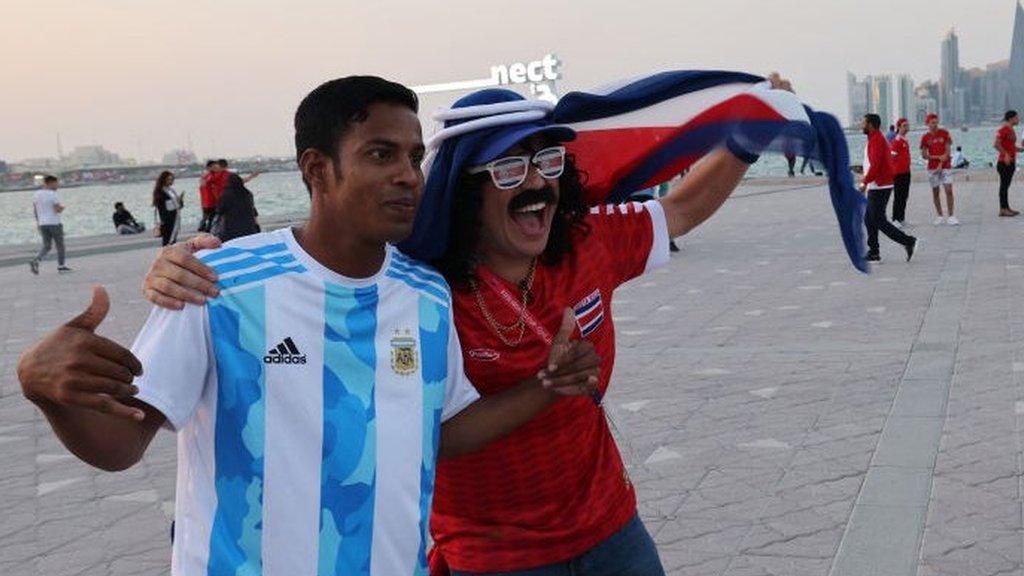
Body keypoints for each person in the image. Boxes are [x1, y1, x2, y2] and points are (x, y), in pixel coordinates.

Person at [137, 73, 798, 575]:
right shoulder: (418, 285)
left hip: (613, 533)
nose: (535, 183)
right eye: (510, 167)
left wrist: (743, 139)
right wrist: (189, 261)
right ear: (465, 186)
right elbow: (331, 270)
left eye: (547, 165)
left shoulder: (588, 241)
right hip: (488, 555)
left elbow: (677, 213)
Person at [15, 76, 600, 576]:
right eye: (380, 154)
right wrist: (45, 390)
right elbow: (120, 444)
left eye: (414, 157)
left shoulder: (426, 294)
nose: (408, 175)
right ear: (317, 169)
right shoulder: (216, 283)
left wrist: (547, 384)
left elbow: (440, 430)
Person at [860, 113, 917, 264]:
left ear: (871, 125)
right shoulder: (874, 139)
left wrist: (864, 182)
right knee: (869, 219)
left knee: (878, 220)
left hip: (880, 185)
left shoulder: (877, 140)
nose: (861, 125)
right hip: (877, 184)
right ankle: (874, 252)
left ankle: (908, 241)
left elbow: (876, 165)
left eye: (863, 123)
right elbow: (874, 162)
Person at [920, 113, 958, 225]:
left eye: (936, 122)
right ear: (927, 124)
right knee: (935, 192)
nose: (935, 125)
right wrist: (936, 158)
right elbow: (924, 155)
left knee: (949, 190)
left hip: (945, 166)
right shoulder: (925, 137)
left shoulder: (944, 133)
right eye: (932, 123)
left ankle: (951, 216)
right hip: (932, 168)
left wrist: (941, 164)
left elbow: (947, 151)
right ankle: (939, 215)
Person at [29, 175, 71, 274]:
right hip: (54, 223)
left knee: (46, 246)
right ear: (50, 183)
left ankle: (36, 260)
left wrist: (38, 223)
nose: (58, 185)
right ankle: (61, 266)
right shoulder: (53, 194)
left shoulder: (37, 194)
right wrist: (63, 207)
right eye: (56, 183)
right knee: (60, 245)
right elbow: (57, 209)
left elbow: (35, 210)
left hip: (43, 223)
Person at [994, 109, 1024, 216]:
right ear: (1011, 119)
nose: (1018, 119)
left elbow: (1011, 146)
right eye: (1016, 117)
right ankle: (1002, 209)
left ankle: (1006, 207)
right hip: (1004, 162)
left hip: (1011, 161)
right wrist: (1006, 155)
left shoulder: (1011, 130)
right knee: (1004, 185)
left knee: (1006, 185)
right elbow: (996, 144)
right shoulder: (1003, 130)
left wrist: (1020, 149)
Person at [213, 173, 259, 241]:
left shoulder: (226, 194)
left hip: (231, 228)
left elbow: (220, 210)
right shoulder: (247, 193)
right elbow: (253, 210)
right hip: (249, 227)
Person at [890, 118, 912, 227]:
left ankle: (901, 218)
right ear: (899, 127)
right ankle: (895, 219)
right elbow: (892, 156)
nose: (907, 127)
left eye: (907, 125)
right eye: (904, 126)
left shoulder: (905, 140)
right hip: (898, 173)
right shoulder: (897, 141)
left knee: (904, 196)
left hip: (906, 172)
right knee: (898, 196)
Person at [152, 171, 182, 246]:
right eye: (168, 179)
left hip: (175, 217)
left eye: (172, 179)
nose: (171, 181)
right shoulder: (160, 191)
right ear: (163, 180)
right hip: (167, 219)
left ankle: (170, 255)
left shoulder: (171, 190)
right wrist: (176, 202)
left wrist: (180, 202)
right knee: (168, 240)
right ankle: (167, 255)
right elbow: (164, 206)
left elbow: (176, 204)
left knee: (173, 238)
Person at [197, 160, 219, 232]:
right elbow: (204, 185)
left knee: (207, 216)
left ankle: (203, 227)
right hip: (209, 201)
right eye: (214, 166)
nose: (216, 168)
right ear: (209, 167)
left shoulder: (206, 176)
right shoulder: (209, 176)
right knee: (210, 217)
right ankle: (207, 229)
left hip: (207, 201)